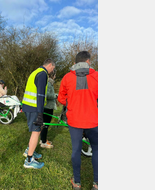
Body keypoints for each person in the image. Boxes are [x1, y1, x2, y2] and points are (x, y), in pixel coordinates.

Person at [58, 51, 98, 190]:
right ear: (88, 62)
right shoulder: (98, 76)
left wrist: (71, 104)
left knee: (76, 150)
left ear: (75, 63)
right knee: (97, 150)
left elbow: (61, 98)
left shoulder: (67, 77)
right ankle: (97, 183)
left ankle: (77, 183)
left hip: (75, 121)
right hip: (94, 120)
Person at [22, 58, 56, 169]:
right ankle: (29, 160)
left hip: (29, 105)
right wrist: (40, 113)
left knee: (38, 128)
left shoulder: (36, 71)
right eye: (53, 68)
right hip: (34, 107)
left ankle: (29, 150)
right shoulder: (43, 74)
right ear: (50, 65)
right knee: (36, 131)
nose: (52, 71)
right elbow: (40, 95)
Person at [40, 69, 57, 149]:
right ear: (53, 75)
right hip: (47, 107)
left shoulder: (50, 83)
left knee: (45, 125)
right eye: (55, 75)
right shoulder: (49, 83)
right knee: (46, 125)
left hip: (48, 107)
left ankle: (42, 139)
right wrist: (55, 96)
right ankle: (43, 142)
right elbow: (47, 95)